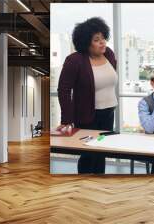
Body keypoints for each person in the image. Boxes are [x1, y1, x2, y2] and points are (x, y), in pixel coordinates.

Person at [57, 17, 117, 174]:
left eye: (103, 38)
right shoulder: (75, 60)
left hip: (108, 114)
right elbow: (63, 90)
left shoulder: (109, 54)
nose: (103, 42)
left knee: (101, 152)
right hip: (87, 116)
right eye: (97, 40)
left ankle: (98, 184)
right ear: (86, 43)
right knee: (88, 154)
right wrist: (66, 119)